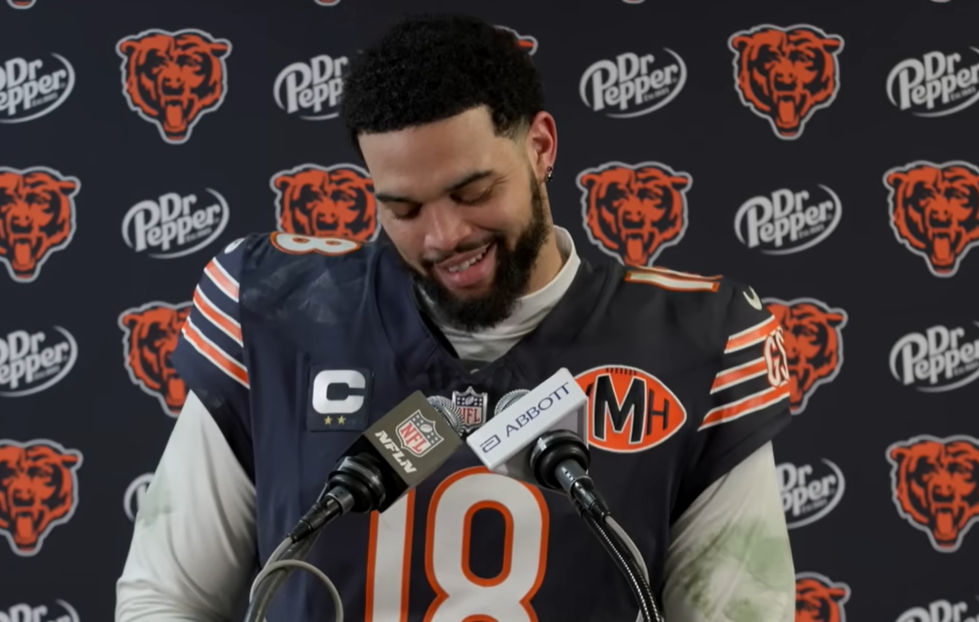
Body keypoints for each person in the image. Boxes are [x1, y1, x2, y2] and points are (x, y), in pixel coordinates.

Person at [115, 12, 796, 622]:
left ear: (541, 147)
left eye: (472, 193)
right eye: (404, 209)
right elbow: (166, 597)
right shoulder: (283, 314)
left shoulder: (691, 342)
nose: (443, 236)